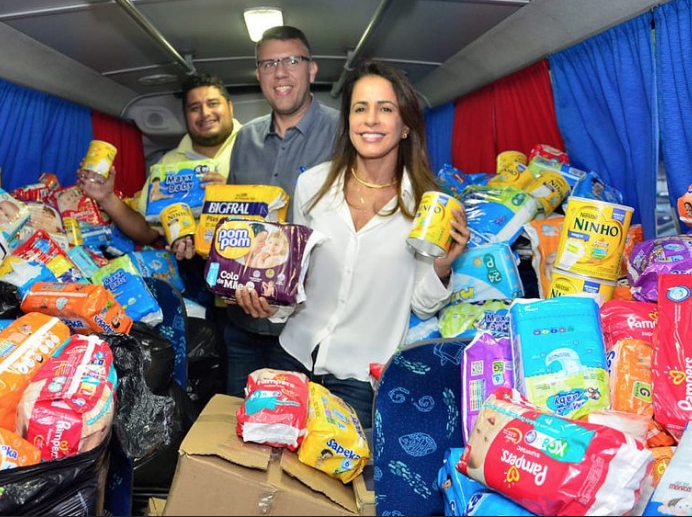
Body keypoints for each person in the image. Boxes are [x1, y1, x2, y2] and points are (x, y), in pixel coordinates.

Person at [234, 60, 468, 427]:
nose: (370, 120)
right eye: (360, 108)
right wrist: (268, 304)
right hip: (292, 355)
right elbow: (295, 277)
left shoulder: (426, 206)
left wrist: (441, 267)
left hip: (359, 377)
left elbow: (421, 306)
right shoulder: (313, 185)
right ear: (348, 121)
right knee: (268, 460)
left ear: (406, 125)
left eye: (385, 109)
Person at [224, 25, 339, 397]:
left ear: (312, 69)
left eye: (292, 60)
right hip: (242, 321)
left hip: (306, 328)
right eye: (269, 64)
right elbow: (234, 221)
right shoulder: (245, 138)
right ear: (258, 75)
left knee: (294, 424)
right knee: (234, 420)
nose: (281, 72)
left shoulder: (343, 132)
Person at [78, 72, 241, 260]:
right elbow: (147, 232)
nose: (205, 113)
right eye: (195, 108)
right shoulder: (167, 165)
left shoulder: (258, 145)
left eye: (212, 104)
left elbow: (271, 208)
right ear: (186, 116)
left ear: (230, 107)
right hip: (193, 265)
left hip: (251, 261)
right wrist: (107, 198)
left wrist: (233, 194)